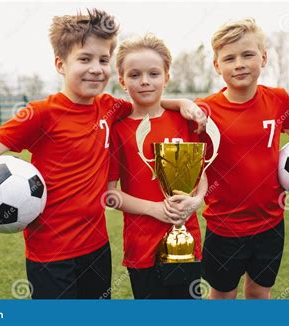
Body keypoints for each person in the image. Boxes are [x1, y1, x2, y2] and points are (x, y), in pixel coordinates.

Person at [0, 9, 205, 299]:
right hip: (50, 255)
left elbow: (149, 100)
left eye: (103, 60)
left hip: (97, 251)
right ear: (60, 63)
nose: (96, 68)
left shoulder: (109, 107)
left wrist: (183, 102)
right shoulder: (40, 114)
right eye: (84, 59)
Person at [186, 18, 289, 299]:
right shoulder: (205, 111)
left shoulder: (278, 100)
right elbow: (193, 164)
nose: (239, 63)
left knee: (260, 295)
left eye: (247, 54)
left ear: (263, 57)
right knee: (222, 296)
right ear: (217, 66)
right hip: (224, 227)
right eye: (229, 58)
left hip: (271, 224)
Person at [107, 34, 207, 299]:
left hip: (187, 239)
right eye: (135, 75)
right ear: (122, 81)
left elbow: (201, 174)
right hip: (142, 246)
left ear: (167, 77)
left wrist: (197, 200)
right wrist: (155, 210)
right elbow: (109, 194)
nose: (144, 81)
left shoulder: (184, 119)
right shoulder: (117, 130)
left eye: (153, 73)